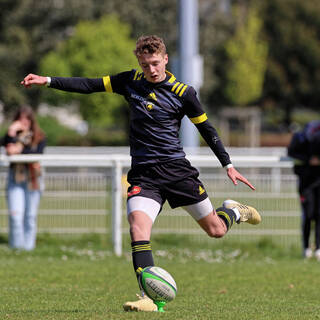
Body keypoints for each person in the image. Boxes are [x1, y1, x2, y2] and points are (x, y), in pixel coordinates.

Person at [21, 35, 261, 311]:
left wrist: (228, 165)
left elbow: (207, 130)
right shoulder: (130, 81)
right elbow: (89, 85)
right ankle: (151, 298)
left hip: (177, 172)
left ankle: (233, 211)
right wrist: (48, 80)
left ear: (166, 59)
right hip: (144, 175)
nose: (152, 70)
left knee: (216, 231)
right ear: (139, 62)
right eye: (146, 65)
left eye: (156, 63)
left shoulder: (184, 93)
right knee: (137, 228)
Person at [3, 106, 46, 251]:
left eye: (26, 118)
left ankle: (28, 249)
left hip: (33, 180)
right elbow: (6, 145)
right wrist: (11, 132)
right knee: (16, 216)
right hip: (15, 180)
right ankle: (17, 249)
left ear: (31, 120)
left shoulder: (39, 136)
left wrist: (19, 150)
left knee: (30, 217)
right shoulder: (13, 136)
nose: (24, 122)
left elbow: (36, 153)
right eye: (21, 119)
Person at [288, 120, 320, 260]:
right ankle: (306, 248)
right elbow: (291, 153)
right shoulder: (300, 138)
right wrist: (309, 160)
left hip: (318, 181)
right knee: (307, 215)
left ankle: (318, 248)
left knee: (319, 215)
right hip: (306, 183)